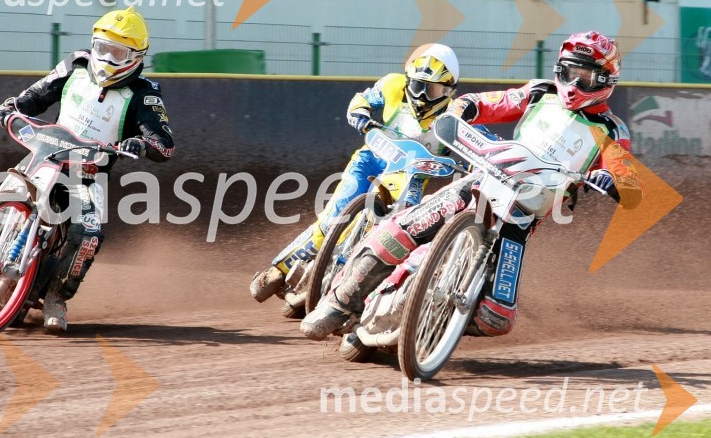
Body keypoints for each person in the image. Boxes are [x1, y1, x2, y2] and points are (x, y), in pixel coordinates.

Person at [301, 30, 644, 340]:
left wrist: (613, 181)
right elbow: (492, 103)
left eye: (585, 77)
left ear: (604, 79)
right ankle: (338, 303)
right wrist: (465, 106)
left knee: (497, 318)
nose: (575, 84)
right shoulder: (540, 92)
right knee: (401, 227)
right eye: (570, 73)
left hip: (522, 216)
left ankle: (428, 326)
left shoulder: (612, 131)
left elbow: (628, 179)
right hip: (484, 180)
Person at [0, 6, 175, 332]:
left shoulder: (145, 93)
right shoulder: (76, 64)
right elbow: (36, 95)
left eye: (118, 52)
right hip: (45, 155)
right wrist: (11, 106)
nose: (107, 58)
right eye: (103, 48)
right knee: (1, 198)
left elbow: (165, 144)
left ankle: (57, 296)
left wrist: (141, 145)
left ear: (136, 56)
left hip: (87, 175)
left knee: (88, 234)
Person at [249, 44, 461, 305]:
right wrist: (360, 115)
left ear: (449, 90)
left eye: (434, 89)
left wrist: (479, 163)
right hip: (370, 160)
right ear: (408, 80)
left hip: (409, 179)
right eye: (418, 86)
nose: (423, 96)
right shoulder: (393, 84)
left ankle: (368, 295)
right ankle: (278, 271)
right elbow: (361, 100)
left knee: (395, 236)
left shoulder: (457, 114)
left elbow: (478, 143)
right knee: (331, 218)